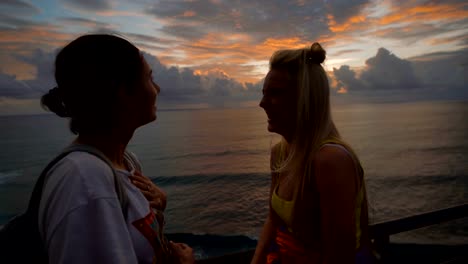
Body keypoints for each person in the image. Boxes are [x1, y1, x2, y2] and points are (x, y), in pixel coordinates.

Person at [39, 34, 194, 263]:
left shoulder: (126, 163)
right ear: (123, 91)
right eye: (149, 78)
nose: (157, 89)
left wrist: (160, 205)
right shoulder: (85, 180)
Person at [251, 43, 372, 264]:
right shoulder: (280, 153)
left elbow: (339, 257)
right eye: (264, 94)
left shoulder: (330, 161)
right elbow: (273, 219)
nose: (262, 103)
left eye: (275, 93)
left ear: (305, 99)